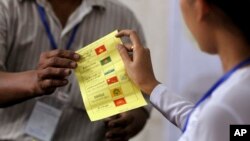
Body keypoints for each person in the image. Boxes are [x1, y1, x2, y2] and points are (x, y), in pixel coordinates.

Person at [0, 0, 150, 140]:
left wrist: (129, 121)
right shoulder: (6, 7)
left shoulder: (122, 18)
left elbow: (143, 99)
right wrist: (34, 80)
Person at [116, 0, 250, 140]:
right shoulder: (234, 98)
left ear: (200, 8)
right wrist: (150, 85)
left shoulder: (220, 111)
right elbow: (207, 125)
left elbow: (208, 125)